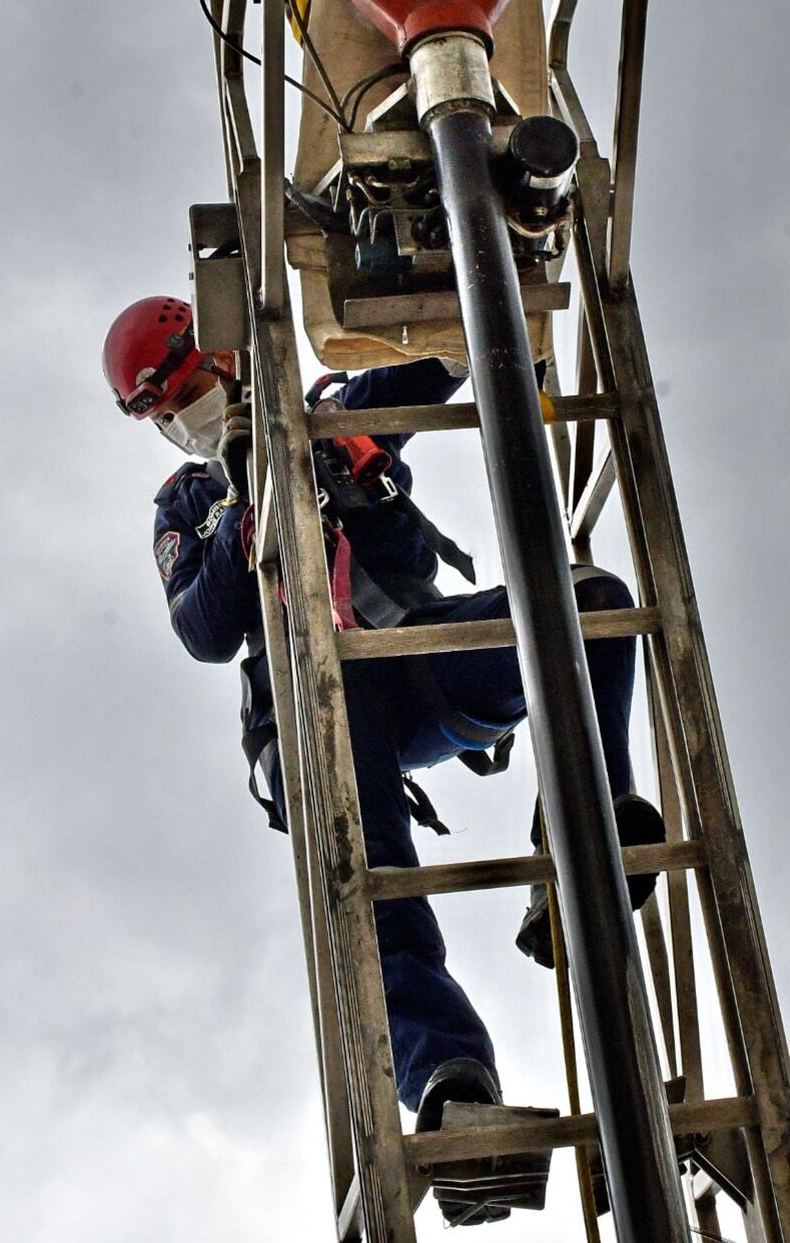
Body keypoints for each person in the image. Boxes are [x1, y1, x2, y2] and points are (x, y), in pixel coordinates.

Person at [103, 296, 664, 1223]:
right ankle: (450, 1082)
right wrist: (252, 506)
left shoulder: (333, 407)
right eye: (163, 410)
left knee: (591, 605)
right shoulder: (190, 501)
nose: (183, 415)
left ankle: (584, 839)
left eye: (190, 386)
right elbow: (203, 629)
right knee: (375, 882)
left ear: (231, 359)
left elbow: (441, 363)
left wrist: (467, 304)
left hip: (414, 657)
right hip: (317, 708)